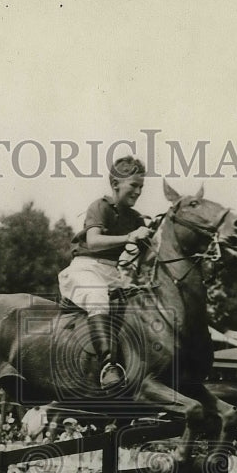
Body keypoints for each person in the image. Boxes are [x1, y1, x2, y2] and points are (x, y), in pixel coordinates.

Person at [57, 155, 152, 388]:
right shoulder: (100, 207)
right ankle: (108, 365)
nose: (138, 191)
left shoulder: (136, 218)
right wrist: (130, 236)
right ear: (116, 184)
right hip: (85, 268)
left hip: (113, 273)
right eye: (134, 185)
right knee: (98, 294)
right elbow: (94, 241)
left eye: (141, 186)